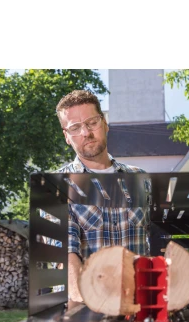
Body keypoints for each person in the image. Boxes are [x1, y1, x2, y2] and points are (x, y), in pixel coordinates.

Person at [55, 90, 149, 304]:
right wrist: (88, 306)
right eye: (75, 128)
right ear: (67, 136)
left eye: (92, 122)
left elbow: (157, 239)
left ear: (105, 123)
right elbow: (65, 252)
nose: (86, 132)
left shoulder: (140, 179)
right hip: (85, 303)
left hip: (137, 302)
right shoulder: (58, 185)